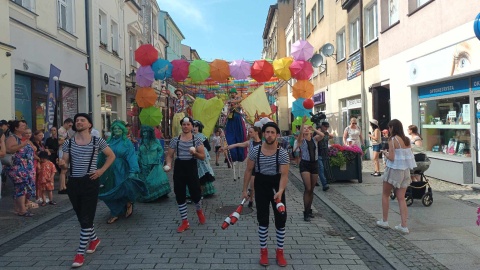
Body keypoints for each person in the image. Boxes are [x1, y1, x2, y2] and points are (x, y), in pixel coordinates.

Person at [57, 113, 115, 268]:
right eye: (77, 121)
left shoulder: (98, 140)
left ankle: (80, 253)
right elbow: (65, 163)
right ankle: (94, 239)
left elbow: (111, 156)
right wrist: (61, 163)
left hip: (90, 181)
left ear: (89, 124)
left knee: (86, 217)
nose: (79, 122)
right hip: (74, 182)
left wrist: (101, 171)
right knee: (81, 215)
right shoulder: (68, 143)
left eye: (82, 120)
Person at [241, 122, 289, 267]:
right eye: (267, 132)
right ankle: (264, 252)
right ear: (263, 134)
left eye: (272, 132)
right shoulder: (256, 151)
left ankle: (280, 252)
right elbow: (249, 170)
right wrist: (245, 190)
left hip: (276, 185)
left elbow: (285, 175)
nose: (269, 135)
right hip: (261, 184)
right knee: (263, 219)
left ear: (277, 135)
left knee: (281, 218)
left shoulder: (282, 153)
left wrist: (280, 191)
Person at [97, 120, 146, 224]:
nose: (116, 130)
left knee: (121, 188)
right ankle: (115, 211)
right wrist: (97, 167)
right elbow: (101, 155)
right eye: (114, 129)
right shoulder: (108, 141)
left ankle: (127, 203)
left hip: (122, 169)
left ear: (123, 130)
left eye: (119, 128)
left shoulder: (126, 142)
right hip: (109, 169)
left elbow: (131, 156)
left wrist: (133, 170)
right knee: (109, 189)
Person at [165, 116, 207, 233]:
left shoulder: (197, 140)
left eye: (188, 124)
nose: (186, 126)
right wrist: (169, 164)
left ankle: (199, 210)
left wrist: (195, 153)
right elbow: (169, 155)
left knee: (196, 193)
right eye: (184, 124)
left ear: (192, 126)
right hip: (179, 167)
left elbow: (202, 156)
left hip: (191, 166)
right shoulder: (175, 140)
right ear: (181, 126)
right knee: (179, 193)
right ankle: (185, 221)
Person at [377, 119, 416, 235]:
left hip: (393, 169)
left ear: (393, 128)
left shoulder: (393, 140)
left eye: (389, 128)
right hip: (405, 171)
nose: (388, 130)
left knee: (385, 195)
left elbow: (392, 157)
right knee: (401, 198)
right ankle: (404, 225)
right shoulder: (407, 140)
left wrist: (385, 153)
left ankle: (384, 221)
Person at [223, 126, 262, 207]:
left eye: (251, 132)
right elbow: (237, 144)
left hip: (261, 167)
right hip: (251, 166)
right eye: (248, 132)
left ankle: (259, 200)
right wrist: (226, 147)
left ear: (256, 132)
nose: (249, 133)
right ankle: (251, 199)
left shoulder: (263, 143)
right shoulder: (249, 142)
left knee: (259, 186)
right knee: (252, 185)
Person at [5, 120, 36, 217]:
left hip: (27, 167)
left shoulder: (24, 138)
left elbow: (34, 149)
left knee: (26, 187)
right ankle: (22, 210)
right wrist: (22, 145)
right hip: (17, 167)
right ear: (16, 128)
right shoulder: (12, 138)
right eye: (22, 126)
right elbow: (9, 149)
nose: (25, 127)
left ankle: (18, 208)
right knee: (21, 187)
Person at [297, 116, 323, 221]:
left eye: (308, 128)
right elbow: (299, 137)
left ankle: (308, 210)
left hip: (314, 165)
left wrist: (314, 129)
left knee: (311, 189)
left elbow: (322, 135)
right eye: (304, 129)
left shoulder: (314, 139)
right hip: (305, 165)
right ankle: (306, 212)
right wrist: (303, 124)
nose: (306, 129)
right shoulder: (301, 140)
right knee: (307, 188)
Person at [136, 125, 171, 202]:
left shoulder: (156, 141)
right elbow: (139, 152)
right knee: (145, 180)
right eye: (143, 132)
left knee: (156, 180)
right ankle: (148, 195)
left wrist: (158, 158)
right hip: (143, 163)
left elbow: (160, 150)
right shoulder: (141, 142)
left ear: (150, 133)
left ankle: (158, 195)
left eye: (146, 132)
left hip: (154, 163)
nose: (145, 134)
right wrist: (138, 159)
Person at [192, 120, 216, 197]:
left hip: (202, 160)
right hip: (192, 159)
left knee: (203, 176)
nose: (194, 128)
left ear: (199, 128)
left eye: (196, 126)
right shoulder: (189, 136)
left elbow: (208, 148)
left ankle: (202, 192)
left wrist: (201, 149)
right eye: (193, 126)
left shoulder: (202, 136)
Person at [225, 88, 247, 163]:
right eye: (231, 93)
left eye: (233, 93)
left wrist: (234, 104)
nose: (232, 94)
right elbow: (228, 110)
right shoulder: (229, 101)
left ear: (235, 93)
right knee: (230, 137)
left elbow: (240, 101)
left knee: (239, 136)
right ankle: (232, 155)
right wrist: (230, 107)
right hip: (231, 119)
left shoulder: (238, 99)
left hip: (237, 118)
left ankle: (240, 154)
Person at [317, 122, 332, 191]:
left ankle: (315, 181)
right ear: (322, 126)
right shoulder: (317, 133)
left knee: (324, 169)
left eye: (327, 127)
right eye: (325, 126)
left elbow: (331, 136)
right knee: (321, 169)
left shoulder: (326, 133)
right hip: (318, 154)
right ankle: (324, 184)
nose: (326, 128)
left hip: (325, 153)